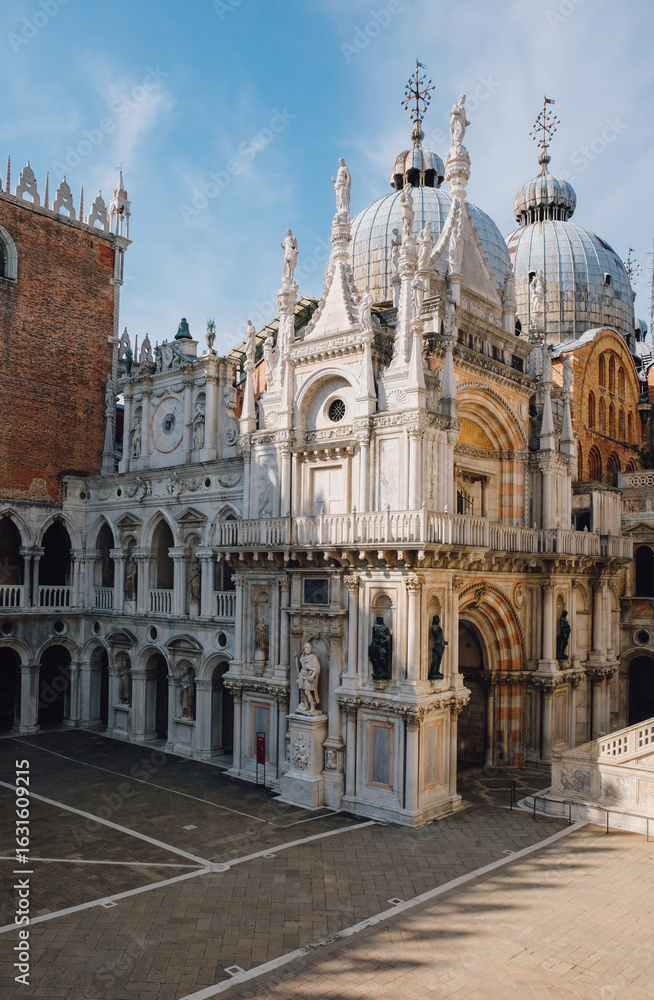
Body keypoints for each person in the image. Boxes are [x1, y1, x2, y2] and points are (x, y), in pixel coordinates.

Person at [295, 642, 321, 713]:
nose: (308, 649)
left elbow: (316, 668)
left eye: (309, 648)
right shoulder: (303, 656)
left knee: (307, 691)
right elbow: (301, 663)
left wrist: (312, 676)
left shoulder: (313, 657)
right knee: (302, 691)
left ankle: (312, 707)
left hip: (308, 676)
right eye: (307, 647)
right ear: (304, 648)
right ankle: (307, 706)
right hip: (302, 674)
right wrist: (296, 657)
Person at [368, 615, 392, 680]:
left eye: (380, 619)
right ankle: (377, 671)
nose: (379, 620)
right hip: (376, 644)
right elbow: (373, 637)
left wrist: (384, 641)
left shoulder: (385, 627)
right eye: (378, 619)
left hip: (382, 644)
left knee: (382, 658)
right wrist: (373, 644)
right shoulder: (375, 627)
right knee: (375, 658)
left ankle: (385, 671)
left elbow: (389, 636)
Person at [428, 614, 447, 680]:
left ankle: (437, 671)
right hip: (437, 644)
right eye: (437, 619)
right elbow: (436, 635)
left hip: (441, 644)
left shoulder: (438, 627)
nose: (438, 620)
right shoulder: (434, 627)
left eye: (438, 619)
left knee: (439, 658)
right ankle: (433, 671)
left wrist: (444, 642)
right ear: (434, 620)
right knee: (436, 658)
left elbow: (441, 637)